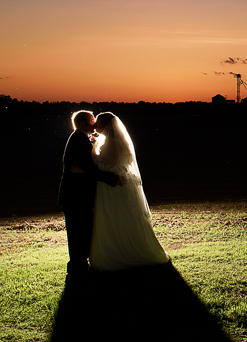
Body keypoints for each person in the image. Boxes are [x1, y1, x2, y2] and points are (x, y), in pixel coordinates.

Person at [86, 112, 170, 270]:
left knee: (114, 216)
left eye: (98, 124)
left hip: (113, 187)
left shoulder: (112, 142)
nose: (96, 126)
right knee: (123, 216)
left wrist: (91, 155)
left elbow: (105, 165)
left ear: (106, 126)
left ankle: (119, 252)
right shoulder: (117, 141)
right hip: (118, 184)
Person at [57, 110, 121, 276]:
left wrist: (86, 171)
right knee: (77, 230)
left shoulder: (82, 138)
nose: (95, 124)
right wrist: (112, 179)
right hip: (75, 195)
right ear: (83, 124)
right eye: (92, 121)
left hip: (79, 194)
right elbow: (90, 168)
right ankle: (77, 265)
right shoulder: (78, 139)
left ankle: (79, 263)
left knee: (82, 229)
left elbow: (87, 168)